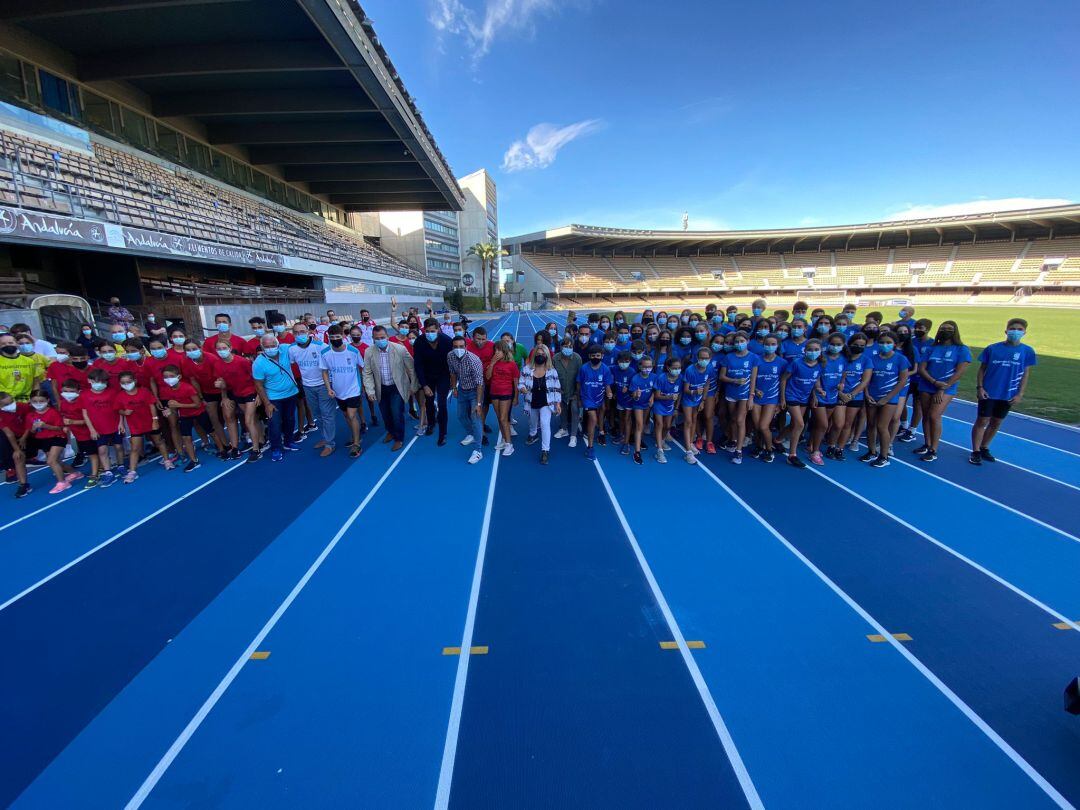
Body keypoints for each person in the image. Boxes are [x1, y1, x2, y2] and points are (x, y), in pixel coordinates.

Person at [970, 318, 1036, 466]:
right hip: (989, 392)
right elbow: (982, 369)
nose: (1016, 332)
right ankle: (975, 451)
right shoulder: (992, 348)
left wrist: (1020, 393)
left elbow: (1025, 373)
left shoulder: (1027, 351)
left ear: (1025, 332)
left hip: (1008, 394)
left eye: (1019, 329)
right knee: (982, 421)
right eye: (1013, 328)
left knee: (996, 422)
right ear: (1006, 331)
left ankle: (984, 447)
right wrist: (980, 387)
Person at [915, 320, 971, 462]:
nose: (946, 330)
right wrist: (933, 382)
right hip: (927, 385)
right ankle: (927, 443)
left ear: (955, 331)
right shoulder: (932, 348)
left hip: (947, 388)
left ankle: (934, 449)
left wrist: (942, 387)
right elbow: (922, 368)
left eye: (949, 328)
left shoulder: (961, 349)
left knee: (935, 416)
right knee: (926, 415)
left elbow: (959, 372)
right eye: (943, 328)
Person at [860, 331, 911, 468]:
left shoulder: (901, 359)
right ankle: (871, 451)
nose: (885, 345)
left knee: (882, 426)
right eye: (882, 342)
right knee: (870, 425)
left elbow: (902, 381)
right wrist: (867, 394)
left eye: (888, 342)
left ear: (894, 344)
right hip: (872, 396)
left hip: (889, 398)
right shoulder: (872, 359)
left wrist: (887, 398)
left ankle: (884, 455)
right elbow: (866, 379)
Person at [361, 326, 416, 452]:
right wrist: (370, 390)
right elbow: (367, 372)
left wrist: (413, 385)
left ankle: (399, 438)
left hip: (397, 387)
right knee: (385, 414)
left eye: (382, 337)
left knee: (396, 413)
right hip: (381, 387)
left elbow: (411, 368)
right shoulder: (369, 351)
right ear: (373, 339)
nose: (380, 340)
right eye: (377, 338)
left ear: (387, 336)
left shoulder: (400, 349)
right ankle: (390, 431)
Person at [289, 322, 335, 458]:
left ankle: (330, 444)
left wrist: (330, 384)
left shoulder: (321, 346)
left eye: (302, 331)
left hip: (323, 385)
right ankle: (325, 437)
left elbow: (331, 361)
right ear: (293, 334)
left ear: (308, 331)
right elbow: (291, 363)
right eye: (296, 332)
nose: (300, 335)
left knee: (327, 414)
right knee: (317, 414)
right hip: (307, 386)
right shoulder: (292, 349)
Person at [21, 389, 81, 494]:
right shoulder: (30, 415)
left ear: (47, 400)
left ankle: (62, 482)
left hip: (57, 437)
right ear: (30, 401)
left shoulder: (53, 412)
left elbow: (60, 428)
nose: (38, 404)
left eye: (41, 401)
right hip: (43, 440)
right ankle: (75, 473)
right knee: (57, 462)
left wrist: (45, 426)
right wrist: (34, 428)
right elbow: (31, 430)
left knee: (51, 461)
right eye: (35, 401)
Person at [252, 334, 300, 463]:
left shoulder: (285, 349)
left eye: (273, 346)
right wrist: (267, 403)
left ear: (278, 345)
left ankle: (289, 441)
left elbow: (299, 346)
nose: (270, 349)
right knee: (274, 423)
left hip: (291, 393)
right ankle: (276, 448)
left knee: (290, 419)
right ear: (262, 347)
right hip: (274, 398)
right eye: (266, 347)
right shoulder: (259, 363)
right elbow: (258, 384)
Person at [116, 369, 171, 480]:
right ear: (120, 384)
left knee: (159, 441)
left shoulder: (144, 391)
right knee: (135, 448)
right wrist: (124, 412)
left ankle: (167, 461)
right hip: (135, 426)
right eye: (123, 383)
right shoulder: (120, 396)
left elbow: (151, 406)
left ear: (135, 381)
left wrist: (155, 420)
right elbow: (119, 410)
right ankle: (132, 472)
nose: (126, 385)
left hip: (150, 422)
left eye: (128, 382)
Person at [320, 325, 364, 458]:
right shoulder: (325, 353)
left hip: (353, 389)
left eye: (337, 337)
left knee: (351, 415)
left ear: (343, 337)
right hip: (338, 391)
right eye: (332, 337)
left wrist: (364, 385)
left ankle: (356, 443)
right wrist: (329, 388)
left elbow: (362, 367)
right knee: (346, 416)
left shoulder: (353, 351)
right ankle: (354, 435)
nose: (335, 339)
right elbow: (324, 372)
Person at [779, 339, 824, 468]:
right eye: (810, 349)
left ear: (820, 351)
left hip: (804, 398)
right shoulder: (796, 363)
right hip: (791, 395)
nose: (813, 352)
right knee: (800, 424)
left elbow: (815, 381)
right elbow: (783, 379)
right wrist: (782, 398)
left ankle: (777, 440)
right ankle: (792, 455)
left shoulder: (819, 365)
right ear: (805, 350)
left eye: (816, 350)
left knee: (794, 424)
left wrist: (816, 393)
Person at [214, 339, 262, 461]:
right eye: (218, 349)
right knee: (251, 418)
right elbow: (222, 382)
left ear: (230, 348)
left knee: (248, 420)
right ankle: (258, 440)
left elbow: (255, 378)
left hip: (250, 392)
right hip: (237, 393)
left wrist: (259, 395)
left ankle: (256, 449)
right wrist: (224, 397)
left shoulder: (242, 362)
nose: (221, 351)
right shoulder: (218, 364)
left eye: (223, 348)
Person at [718, 332, 759, 464]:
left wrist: (751, 396)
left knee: (741, 420)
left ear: (747, 341)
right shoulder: (728, 357)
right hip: (731, 394)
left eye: (742, 341)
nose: (739, 344)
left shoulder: (753, 358)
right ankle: (734, 440)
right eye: (737, 342)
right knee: (734, 419)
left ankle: (739, 451)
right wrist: (734, 380)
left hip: (744, 395)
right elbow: (722, 377)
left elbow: (753, 379)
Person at [518, 344, 562, 464]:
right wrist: (522, 388)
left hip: (546, 402)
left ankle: (545, 450)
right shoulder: (527, 369)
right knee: (532, 421)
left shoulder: (552, 371)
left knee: (544, 423)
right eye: (538, 354)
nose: (540, 356)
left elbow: (557, 388)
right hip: (531, 401)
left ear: (547, 355)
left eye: (543, 354)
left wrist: (558, 404)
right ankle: (533, 434)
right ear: (534, 355)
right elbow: (520, 383)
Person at [413, 318, 453, 446]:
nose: (430, 333)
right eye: (427, 331)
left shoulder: (447, 341)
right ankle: (431, 423)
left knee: (442, 404)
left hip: (443, 375)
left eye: (433, 331)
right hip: (427, 376)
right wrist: (424, 385)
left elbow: (451, 363)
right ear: (424, 330)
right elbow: (418, 365)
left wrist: (453, 381)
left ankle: (443, 433)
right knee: (429, 402)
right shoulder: (419, 342)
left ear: (438, 329)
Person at [79, 368, 122, 487]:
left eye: (103, 382)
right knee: (102, 450)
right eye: (98, 381)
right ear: (89, 381)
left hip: (114, 424)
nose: (101, 384)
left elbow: (119, 409)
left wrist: (121, 423)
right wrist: (92, 429)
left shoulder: (112, 392)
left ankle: (121, 465)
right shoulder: (84, 395)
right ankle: (108, 472)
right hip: (98, 428)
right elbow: (85, 413)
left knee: (118, 447)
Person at [448, 335, 485, 464]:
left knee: (475, 418)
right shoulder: (450, 356)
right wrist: (454, 388)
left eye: (461, 346)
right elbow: (452, 372)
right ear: (452, 347)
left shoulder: (473, 360)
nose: (458, 349)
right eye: (456, 347)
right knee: (461, 416)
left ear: (466, 347)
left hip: (475, 391)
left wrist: (479, 404)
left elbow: (480, 382)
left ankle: (478, 451)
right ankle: (472, 434)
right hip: (462, 390)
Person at [751, 335, 784, 463]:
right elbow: (752, 378)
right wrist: (754, 391)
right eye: (767, 344)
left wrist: (781, 402)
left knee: (764, 426)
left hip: (771, 399)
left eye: (773, 344)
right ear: (763, 345)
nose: (770, 346)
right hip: (757, 398)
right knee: (757, 426)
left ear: (777, 345)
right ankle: (759, 446)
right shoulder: (756, 360)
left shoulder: (782, 362)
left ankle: (769, 449)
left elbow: (782, 382)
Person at [577, 345, 612, 461]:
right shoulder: (584, 368)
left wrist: (609, 392)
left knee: (601, 414)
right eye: (593, 356)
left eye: (598, 355)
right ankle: (590, 447)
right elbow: (579, 383)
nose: (595, 357)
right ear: (589, 356)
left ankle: (599, 433)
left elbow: (607, 384)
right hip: (587, 398)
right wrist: (579, 398)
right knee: (593, 419)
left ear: (602, 356)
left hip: (599, 397)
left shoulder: (605, 369)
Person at [486, 341, 520, 456]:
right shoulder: (493, 363)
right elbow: (488, 376)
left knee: (503, 418)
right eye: (495, 350)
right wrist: (492, 362)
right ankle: (505, 440)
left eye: (499, 350)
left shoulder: (512, 364)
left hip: (506, 393)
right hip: (494, 393)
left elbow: (516, 383)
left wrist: (516, 397)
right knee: (499, 418)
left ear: (504, 351)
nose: (496, 352)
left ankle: (509, 445)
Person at [680, 346, 713, 464]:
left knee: (694, 420)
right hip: (688, 399)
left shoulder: (710, 368)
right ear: (697, 358)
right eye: (701, 358)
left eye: (706, 358)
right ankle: (688, 452)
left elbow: (707, 384)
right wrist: (694, 392)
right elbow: (685, 389)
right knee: (688, 421)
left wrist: (703, 400)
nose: (704, 360)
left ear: (710, 358)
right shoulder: (690, 370)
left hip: (698, 399)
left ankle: (690, 443)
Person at [651, 356, 682, 464]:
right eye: (675, 368)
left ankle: (662, 440)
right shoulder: (661, 378)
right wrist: (668, 397)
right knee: (659, 424)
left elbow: (679, 394)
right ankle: (659, 451)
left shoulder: (680, 378)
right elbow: (657, 396)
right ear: (668, 368)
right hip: (659, 404)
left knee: (667, 426)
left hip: (670, 406)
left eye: (679, 368)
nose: (677, 370)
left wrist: (677, 408)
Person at [0, 391, 31, 497]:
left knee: (51, 457)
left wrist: (24, 437)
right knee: (18, 457)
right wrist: (17, 450)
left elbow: (30, 422)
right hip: (15, 437)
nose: (11, 405)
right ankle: (24, 485)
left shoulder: (23, 407)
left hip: (29, 433)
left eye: (12, 402)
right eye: (7, 404)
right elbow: (9, 433)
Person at [552, 337, 582, 448]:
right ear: (560, 347)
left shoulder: (577, 358)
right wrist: (557, 390)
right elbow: (553, 376)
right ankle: (564, 429)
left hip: (574, 391)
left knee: (574, 410)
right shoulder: (555, 358)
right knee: (563, 410)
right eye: (565, 346)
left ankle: (573, 436)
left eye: (570, 346)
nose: (568, 348)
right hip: (560, 391)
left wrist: (576, 393)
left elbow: (580, 376)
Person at [0, 333, 42, 402]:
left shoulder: (29, 361)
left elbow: (36, 382)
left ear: (16, 343)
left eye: (10, 342)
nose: (7, 345)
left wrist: (34, 398)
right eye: (3, 344)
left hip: (27, 401)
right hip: (6, 403)